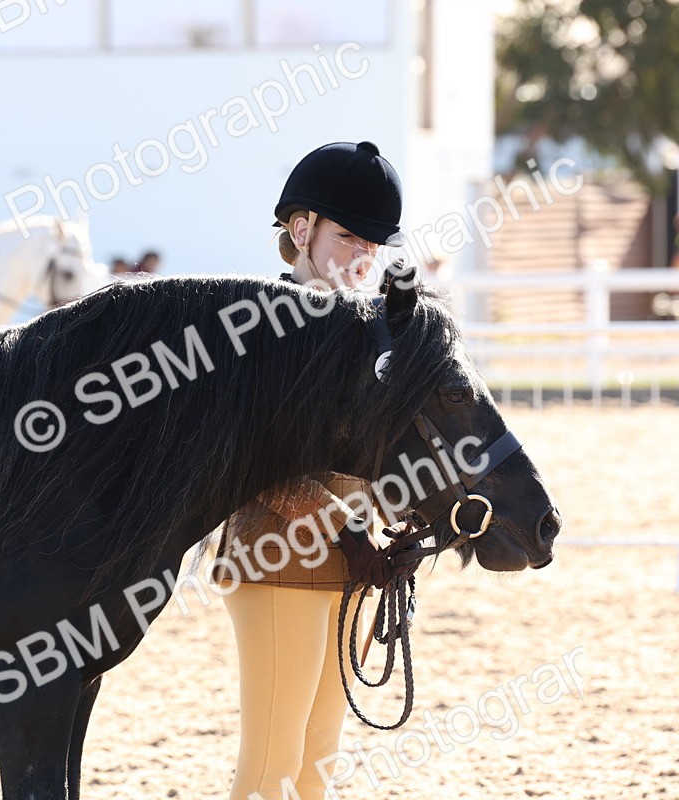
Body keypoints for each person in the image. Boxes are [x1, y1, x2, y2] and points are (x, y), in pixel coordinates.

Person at [216, 141, 407, 800]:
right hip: (276, 562)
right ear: (301, 230)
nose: (362, 256)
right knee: (271, 763)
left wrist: (393, 526)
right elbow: (258, 463)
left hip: (349, 565)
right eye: (349, 236)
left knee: (319, 761)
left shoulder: (369, 329)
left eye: (374, 245)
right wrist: (348, 532)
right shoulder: (261, 327)